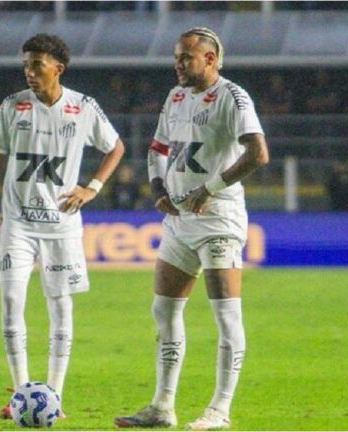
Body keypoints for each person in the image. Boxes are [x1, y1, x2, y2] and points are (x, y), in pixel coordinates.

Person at [114, 27, 269, 430]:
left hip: (218, 219)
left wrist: (211, 188)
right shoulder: (176, 96)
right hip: (180, 219)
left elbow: (258, 153)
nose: (178, 64)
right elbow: (158, 148)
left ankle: (220, 409)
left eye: (186, 57)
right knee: (163, 309)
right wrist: (158, 187)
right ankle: (163, 406)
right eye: (176, 57)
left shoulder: (233, 97)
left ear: (211, 60)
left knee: (225, 315)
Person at [0, 33, 125, 418]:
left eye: (37, 65)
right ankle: (21, 394)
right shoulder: (12, 107)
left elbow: (116, 147)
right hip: (18, 225)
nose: (29, 72)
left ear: (58, 68)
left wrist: (92, 187)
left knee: (60, 308)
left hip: (62, 227)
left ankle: (54, 397)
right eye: (26, 64)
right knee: (12, 302)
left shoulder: (83, 107)